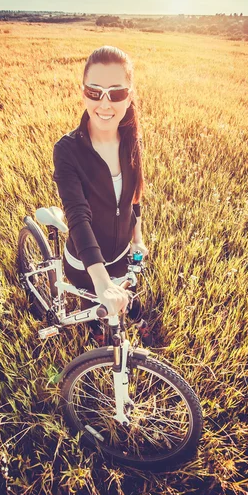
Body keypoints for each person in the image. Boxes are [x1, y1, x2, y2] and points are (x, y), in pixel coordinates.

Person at [52, 45, 152, 346]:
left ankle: (140, 319)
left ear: (130, 95)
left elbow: (134, 197)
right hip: (85, 264)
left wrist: (138, 239)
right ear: (83, 93)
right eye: (95, 92)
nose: (105, 103)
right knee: (96, 304)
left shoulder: (131, 138)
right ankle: (94, 328)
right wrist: (101, 280)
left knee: (128, 297)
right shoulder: (67, 150)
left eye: (116, 93)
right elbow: (77, 216)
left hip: (121, 254)